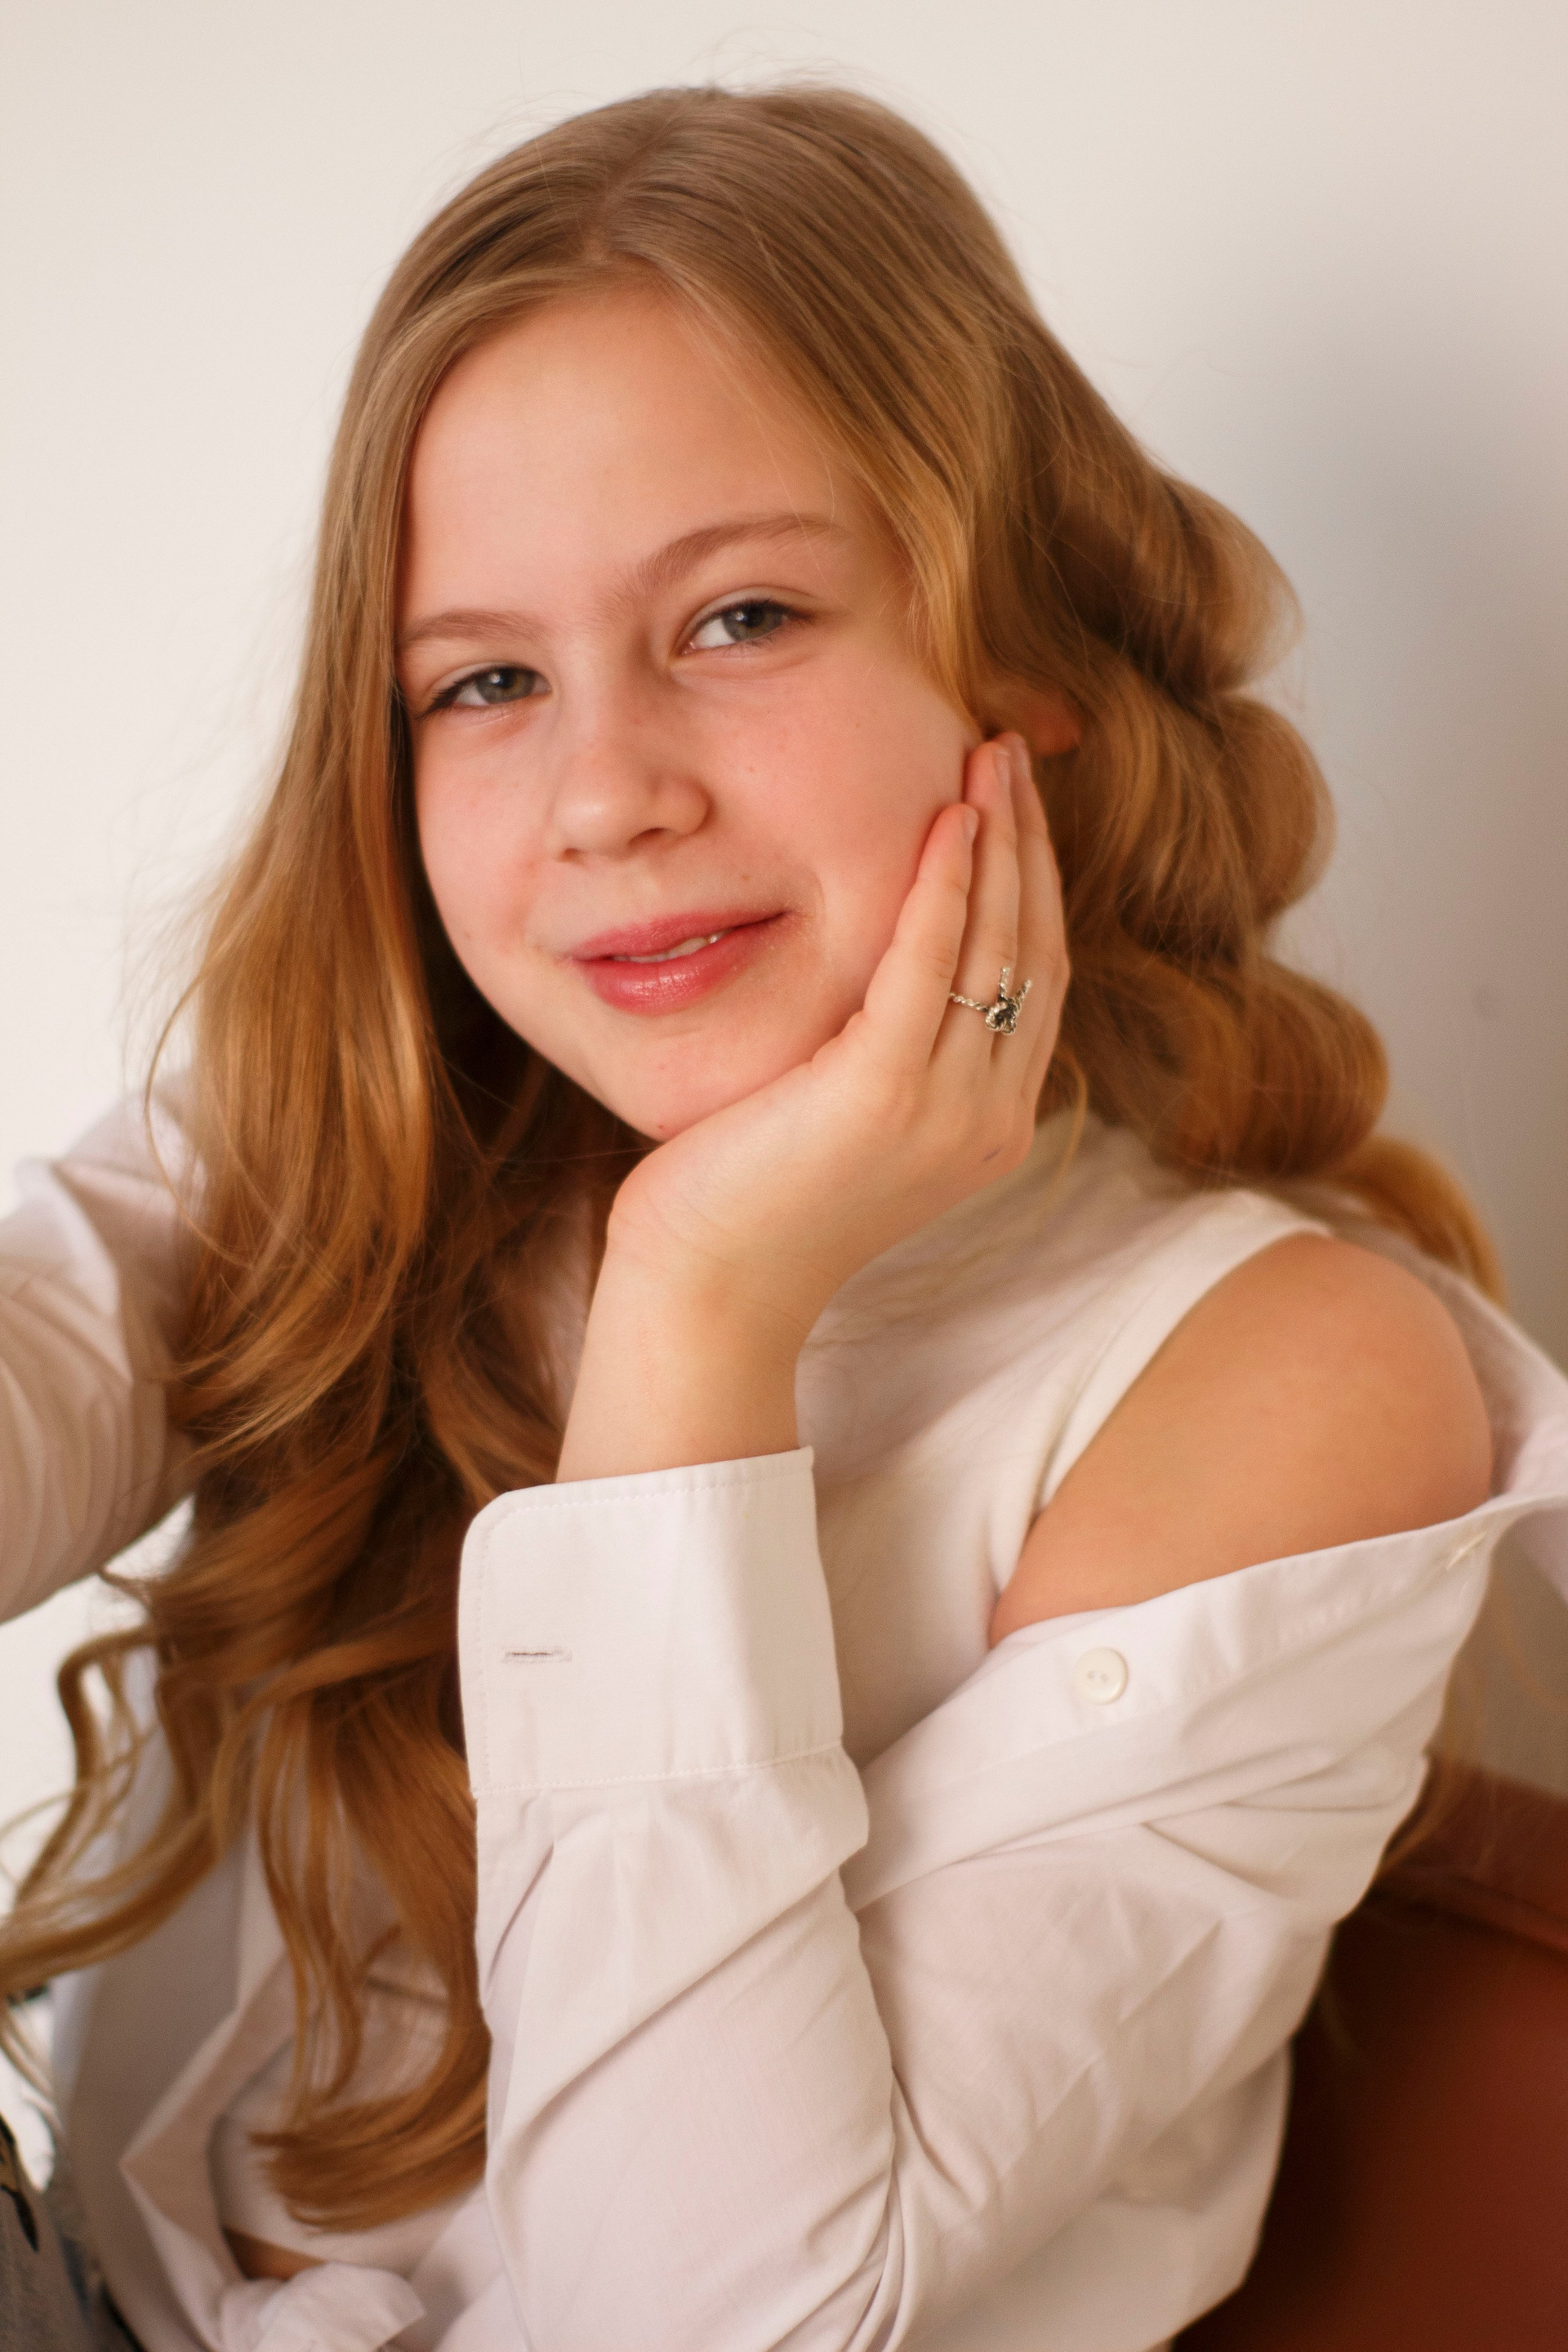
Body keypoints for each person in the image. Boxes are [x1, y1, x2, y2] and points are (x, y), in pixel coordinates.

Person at [1, 82, 1565, 2352]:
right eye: (486, 681)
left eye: (738, 617)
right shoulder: (374, 1135)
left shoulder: (1278, 1375)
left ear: (1024, 668)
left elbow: (707, 2313)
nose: (606, 793)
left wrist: (701, 1306)